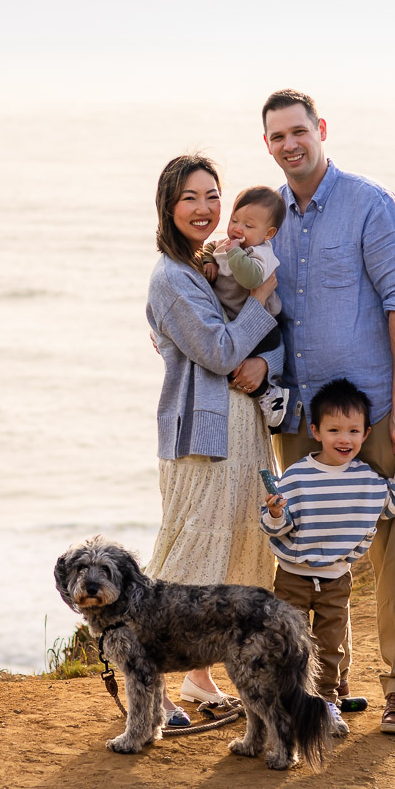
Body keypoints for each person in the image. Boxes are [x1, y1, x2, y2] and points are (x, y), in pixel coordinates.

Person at [251, 89, 395, 735]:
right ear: (267, 144)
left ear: (321, 129)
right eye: (277, 137)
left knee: (392, 547)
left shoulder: (369, 205)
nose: (290, 144)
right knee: (307, 554)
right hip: (302, 418)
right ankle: (328, 682)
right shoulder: (273, 219)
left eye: (299, 130)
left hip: (377, 414)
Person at [145, 154, 281, 724]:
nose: (204, 210)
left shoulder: (208, 266)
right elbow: (222, 353)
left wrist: (265, 359)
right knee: (189, 561)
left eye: (211, 196)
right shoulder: (172, 279)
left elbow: (249, 348)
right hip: (202, 438)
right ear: (168, 207)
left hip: (240, 430)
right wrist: (260, 298)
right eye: (189, 199)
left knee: (237, 555)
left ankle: (200, 677)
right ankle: (148, 685)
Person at [260, 378, 395, 737]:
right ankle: (286, 705)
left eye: (353, 431)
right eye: (334, 430)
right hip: (291, 577)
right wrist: (275, 513)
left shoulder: (366, 478)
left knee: (329, 647)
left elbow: (393, 505)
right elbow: (275, 527)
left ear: (365, 435)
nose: (343, 439)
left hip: (336, 579)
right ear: (315, 431)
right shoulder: (297, 476)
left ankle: (327, 702)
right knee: (287, 644)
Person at [197, 186, 290, 428]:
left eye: (249, 226)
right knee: (226, 364)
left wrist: (235, 253)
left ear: (268, 233)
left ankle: (270, 394)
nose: (238, 228)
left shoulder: (261, 254)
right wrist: (209, 260)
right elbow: (209, 247)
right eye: (234, 219)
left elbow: (250, 279)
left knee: (236, 366)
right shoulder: (226, 244)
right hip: (237, 322)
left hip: (264, 326)